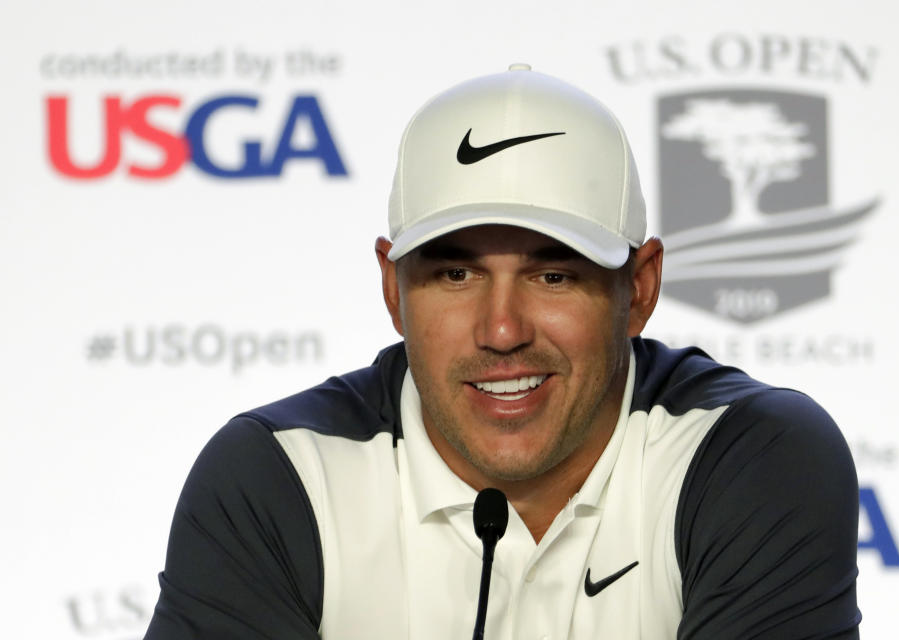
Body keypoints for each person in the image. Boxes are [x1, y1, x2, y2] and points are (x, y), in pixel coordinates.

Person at [144, 64, 860, 639]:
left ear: (638, 289)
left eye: (554, 275)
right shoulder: (282, 478)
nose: (502, 329)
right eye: (456, 275)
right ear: (393, 288)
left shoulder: (747, 458)